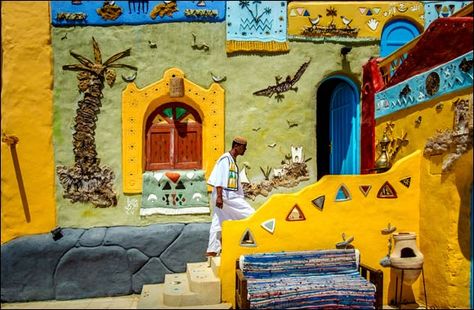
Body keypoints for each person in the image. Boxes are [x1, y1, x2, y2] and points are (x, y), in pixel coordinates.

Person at [206, 136, 255, 257]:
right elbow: (219, 178)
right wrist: (219, 197)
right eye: (244, 147)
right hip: (226, 196)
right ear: (237, 146)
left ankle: (212, 249)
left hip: (226, 196)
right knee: (251, 214)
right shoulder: (225, 159)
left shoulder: (231, 160)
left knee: (218, 221)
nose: (245, 150)